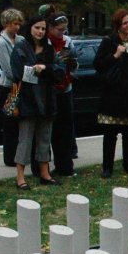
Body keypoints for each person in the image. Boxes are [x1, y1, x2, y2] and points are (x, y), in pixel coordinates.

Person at [11, 14, 62, 190]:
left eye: (43, 28)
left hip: (47, 99)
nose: (40, 31)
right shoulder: (21, 48)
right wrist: (36, 71)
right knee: (25, 139)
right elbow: (18, 73)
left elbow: (58, 72)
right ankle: (20, 177)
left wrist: (45, 68)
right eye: (37, 28)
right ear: (30, 28)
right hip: (27, 99)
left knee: (44, 138)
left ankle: (45, 173)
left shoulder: (49, 49)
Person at [94, 10, 128, 177]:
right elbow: (98, 65)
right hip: (113, 96)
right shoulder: (109, 42)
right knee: (110, 134)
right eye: (125, 23)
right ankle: (107, 168)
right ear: (118, 26)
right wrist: (115, 55)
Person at [45, 12, 78, 178]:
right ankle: (44, 167)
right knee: (49, 130)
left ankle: (65, 166)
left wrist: (72, 63)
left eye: (64, 30)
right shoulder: (44, 42)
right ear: (50, 28)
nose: (62, 33)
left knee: (65, 129)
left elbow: (73, 63)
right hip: (50, 90)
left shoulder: (68, 41)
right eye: (59, 30)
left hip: (65, 88)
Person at [0, 8, 24, 167]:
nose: (17, 27)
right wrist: (21, 76)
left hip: (21, 85)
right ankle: (9, 157)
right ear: (7, 23)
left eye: (19, 24)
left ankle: (19, 155)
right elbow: (7, 67)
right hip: (9, 86)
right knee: (9, 122)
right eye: (15, 24)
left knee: (20, 122)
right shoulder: (1, 42)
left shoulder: (20, 40)